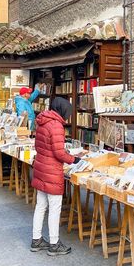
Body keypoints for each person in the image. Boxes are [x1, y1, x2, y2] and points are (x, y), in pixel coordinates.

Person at [30, 97, 80, 256]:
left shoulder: (42, 121)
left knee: (41, 206)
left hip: (41, 168)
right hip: (51, 171)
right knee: (55, 208)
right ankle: (54, 243)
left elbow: (39, 146)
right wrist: (73, 160)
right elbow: (59, 153)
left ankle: (36, 240)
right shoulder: (57, 125)